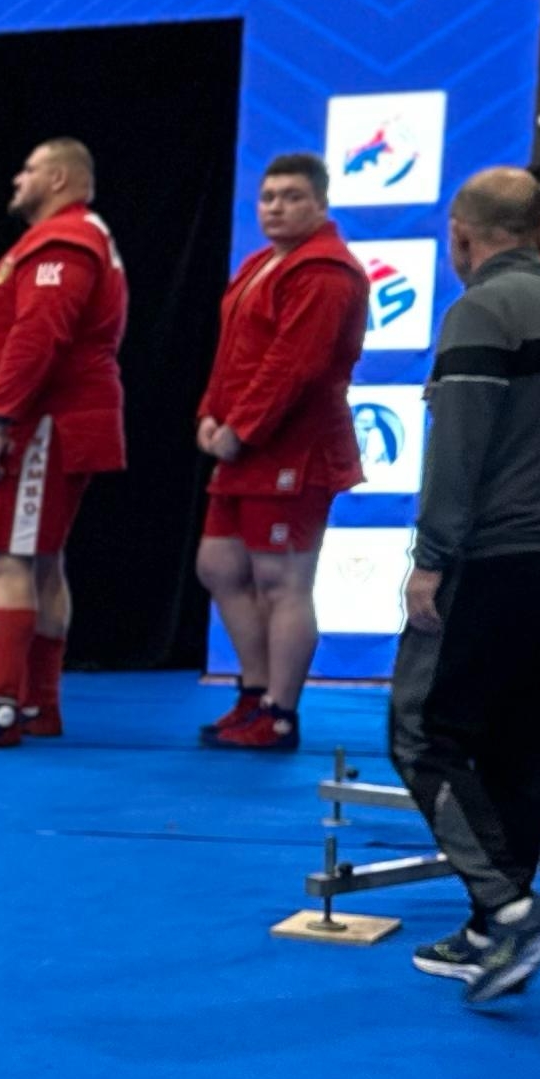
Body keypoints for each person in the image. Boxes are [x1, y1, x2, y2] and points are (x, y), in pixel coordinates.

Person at [386, 167, 540, 1002]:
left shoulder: (479, 311)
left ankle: (509, 908)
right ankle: (497, 933)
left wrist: (431, 558)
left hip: (495, 557)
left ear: (461, 232)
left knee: (422, 733)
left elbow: (458, 454)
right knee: (521, 744)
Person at [0, 136, 129, 750]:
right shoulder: (61, 239)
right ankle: (38, 705)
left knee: (5, 560)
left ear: (62, 177)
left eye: (30, 169)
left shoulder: (64, 241)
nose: (17, 178)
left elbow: (39, 335)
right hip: (41, 419)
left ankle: (0, 709)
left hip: (38, 423)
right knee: (39, 561)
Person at [192, 151, 370, 751]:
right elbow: (232, 354)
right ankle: (254, 692)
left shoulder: (326, 271)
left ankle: (280, 712)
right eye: (268, 196)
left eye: (291, 196)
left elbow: (296, 365)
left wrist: (239, 429)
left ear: (320, 203)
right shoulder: (260, 265)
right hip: (245, 443)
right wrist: (209, 415)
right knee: (218, 565)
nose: (275, 206)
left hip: (293, 447)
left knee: (282, 582)